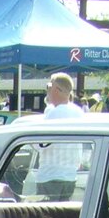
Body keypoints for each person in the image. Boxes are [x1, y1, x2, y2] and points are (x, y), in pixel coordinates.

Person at [37, 72, 84, 201]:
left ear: (57, 89)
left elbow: (40, 144)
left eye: (49, 86)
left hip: (50, 175)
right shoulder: (78, 112)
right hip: (70, 176)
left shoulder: (54, 113)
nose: (47, 90)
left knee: (46, 217)